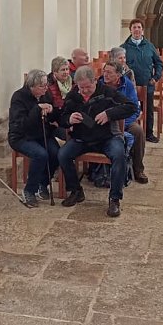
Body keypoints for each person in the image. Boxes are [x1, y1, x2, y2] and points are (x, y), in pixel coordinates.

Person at [58, 66, 138, 217]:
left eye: (88, 87)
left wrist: (109, 114)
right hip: (82, 139)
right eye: (81, 88)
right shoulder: (73, 95)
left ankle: (114, 199)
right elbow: (62, 118)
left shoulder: (107, 92)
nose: (85, 91)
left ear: (95, 80)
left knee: (119, 155)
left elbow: (131, 107)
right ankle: (76, 191)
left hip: (107, 138)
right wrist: (69, 119)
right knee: (63, 154)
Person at [7, 70, 61, 207]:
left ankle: (43, 183)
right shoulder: (19, 97)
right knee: (40, 154)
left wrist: (51, 110)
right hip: (21, 136)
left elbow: (53, 116)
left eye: (46, 85)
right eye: (42, 86)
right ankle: (29, 190)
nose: (46, 88)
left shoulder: (45, 94)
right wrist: (37, 109)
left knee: (56, 153)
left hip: (42, 134)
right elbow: (22, 124)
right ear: (32, 86)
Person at [98, 60, 147, 184]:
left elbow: (134, 108)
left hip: (125, 121)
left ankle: (138, 169)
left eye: (109, 72)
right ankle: (98, 171)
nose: (105, 75)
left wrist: (123, 124)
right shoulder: (99, 84)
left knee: (138, 131)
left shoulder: (127, 84)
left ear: (119, 75)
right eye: (104, 71)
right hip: (105, 122)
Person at [122, 18, 163, 143]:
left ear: (143, 30)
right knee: (128, 109)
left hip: (147, 83)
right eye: (134, 27)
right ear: (130, 30)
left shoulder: (149, 46)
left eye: (139, 27)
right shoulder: (124, 47)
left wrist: (155, 77)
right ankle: (128, 133)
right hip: (129, 86)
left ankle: (148, 133)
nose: (137, 30)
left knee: (148, 109)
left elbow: (159, 63)